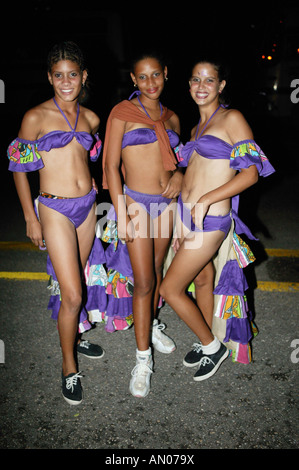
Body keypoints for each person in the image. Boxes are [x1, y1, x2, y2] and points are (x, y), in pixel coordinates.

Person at [160, 59, 275, 381]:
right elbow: (194, 177)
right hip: (188, 217)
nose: (201, 86)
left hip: (212, 220)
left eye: (209, 81)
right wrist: (182, 222)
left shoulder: (232, 118)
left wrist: (209, 199)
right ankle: (206, 336)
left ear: (221, 85)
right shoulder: (196, 128)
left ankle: (213, 347)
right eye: (195, 79)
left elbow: (251, 174)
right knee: (202, 280)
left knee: (170, 289)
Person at [7, 41, 105, 405]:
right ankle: (68, 366)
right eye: (59, 75)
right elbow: (19, 169)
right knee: (74, 293)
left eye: (73, 75)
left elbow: (86, 157)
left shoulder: (92, 118)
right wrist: (30, 217)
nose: (66, 81)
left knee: (75, 283)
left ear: (83, 77)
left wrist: (91, 181)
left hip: (88, 207)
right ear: (50, 77)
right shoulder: (35, 117)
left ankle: (76, 335)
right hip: (54, 209)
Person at [102, 52, 183, 397]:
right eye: (142, 77)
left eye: (156, 75)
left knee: (157, 272)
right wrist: (120, 213)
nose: (150, 82)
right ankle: (142, 359)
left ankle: (149, 326)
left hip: (166, 205)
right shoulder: (122, 111)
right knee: (145, 281)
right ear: (134, 80)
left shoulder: (172, 117)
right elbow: (109, 165)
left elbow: (180, 160)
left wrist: (180, 174)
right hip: (135, 202)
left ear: (165, 74)